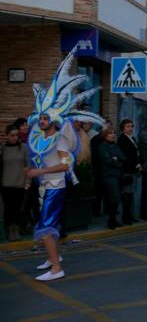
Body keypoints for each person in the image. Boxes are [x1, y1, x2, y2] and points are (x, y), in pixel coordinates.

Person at [24, 50, 104, 281]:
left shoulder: (59, 140)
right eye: (40, 117)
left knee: (46, 227)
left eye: (46, 118)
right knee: (47, 225)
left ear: (55, 120)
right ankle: (52, 259)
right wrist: (32, 177)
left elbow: (64, 166)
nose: (42, 120)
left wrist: (40, 172)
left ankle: (57, 268)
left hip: (54, 186)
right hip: (45, 186)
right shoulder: (41, 139)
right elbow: (37, 160)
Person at [1, 125, 29, 241]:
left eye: (17, 135)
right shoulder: (3, 149)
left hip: (20, 183)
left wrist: (28, 182)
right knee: (8, 209)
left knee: (18, 208)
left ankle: (16, 230)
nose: (15, 137)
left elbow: (28, 166)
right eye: (12, 135)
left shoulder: (23, 148)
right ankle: (9, 230)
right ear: (7, 136)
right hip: (6, 184)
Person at [97, 127, 126, 229]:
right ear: (105, 135)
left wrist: (116, 159)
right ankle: (111, 220)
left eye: (114, 133)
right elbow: (107, 160)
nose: (113, 135)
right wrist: (117, 160)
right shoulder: (102, 146)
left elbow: (123, 157)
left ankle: (113, 219)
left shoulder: (115, 146)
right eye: (110, 133)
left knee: (116, 199)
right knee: (114, 198)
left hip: (117, 175)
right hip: (108, 176)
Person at [117, 119, 141, 225]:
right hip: (127, 171)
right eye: (128, 126)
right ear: (123, 128)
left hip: (134, 170)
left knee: (131, 194)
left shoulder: (132, 138)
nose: (130, 128)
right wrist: (136, 165)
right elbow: (125, 157)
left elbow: (136, 154)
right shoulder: (121, 139)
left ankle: (130, 215)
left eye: (131, 126)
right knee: (126, 195)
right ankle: (125, 217)